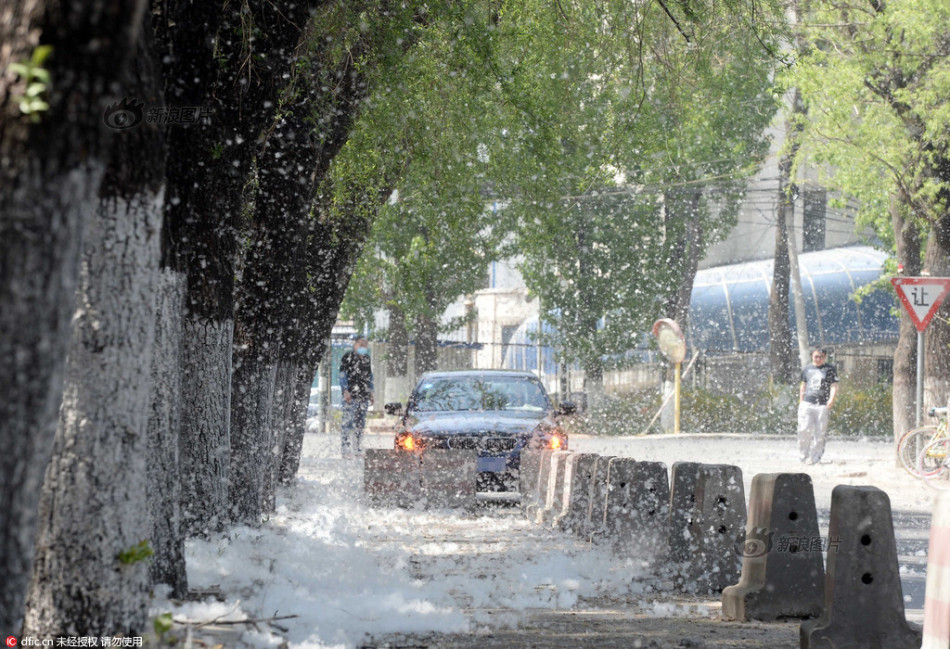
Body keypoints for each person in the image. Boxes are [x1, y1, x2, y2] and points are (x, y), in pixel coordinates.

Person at [798, 347, 839, 464]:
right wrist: (801, 401)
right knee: (804, 429)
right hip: (807, 403)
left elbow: (834, 385)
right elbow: (803, 385)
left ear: (824, 357)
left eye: (821, 357)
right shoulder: (807, 369)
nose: (818, 359)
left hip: (822, 404)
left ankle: (815, 457)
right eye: (816, 356)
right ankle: (803, 456)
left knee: (820, 432)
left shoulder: (830, 369)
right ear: (812, 356)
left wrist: (831, 399)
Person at [339, 337, 374, 458]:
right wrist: (345, 391)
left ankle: (357, 447)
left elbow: (369, 377)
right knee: (347, 423)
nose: (363, 346)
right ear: (355, 344)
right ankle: (345, 448)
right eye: (361, 343)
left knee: (360, 423)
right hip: (351, 396)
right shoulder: (348, 357)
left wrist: (371, 392)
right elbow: (342, 375)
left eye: (365, 344)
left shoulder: (366, 359)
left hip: (363, 396)